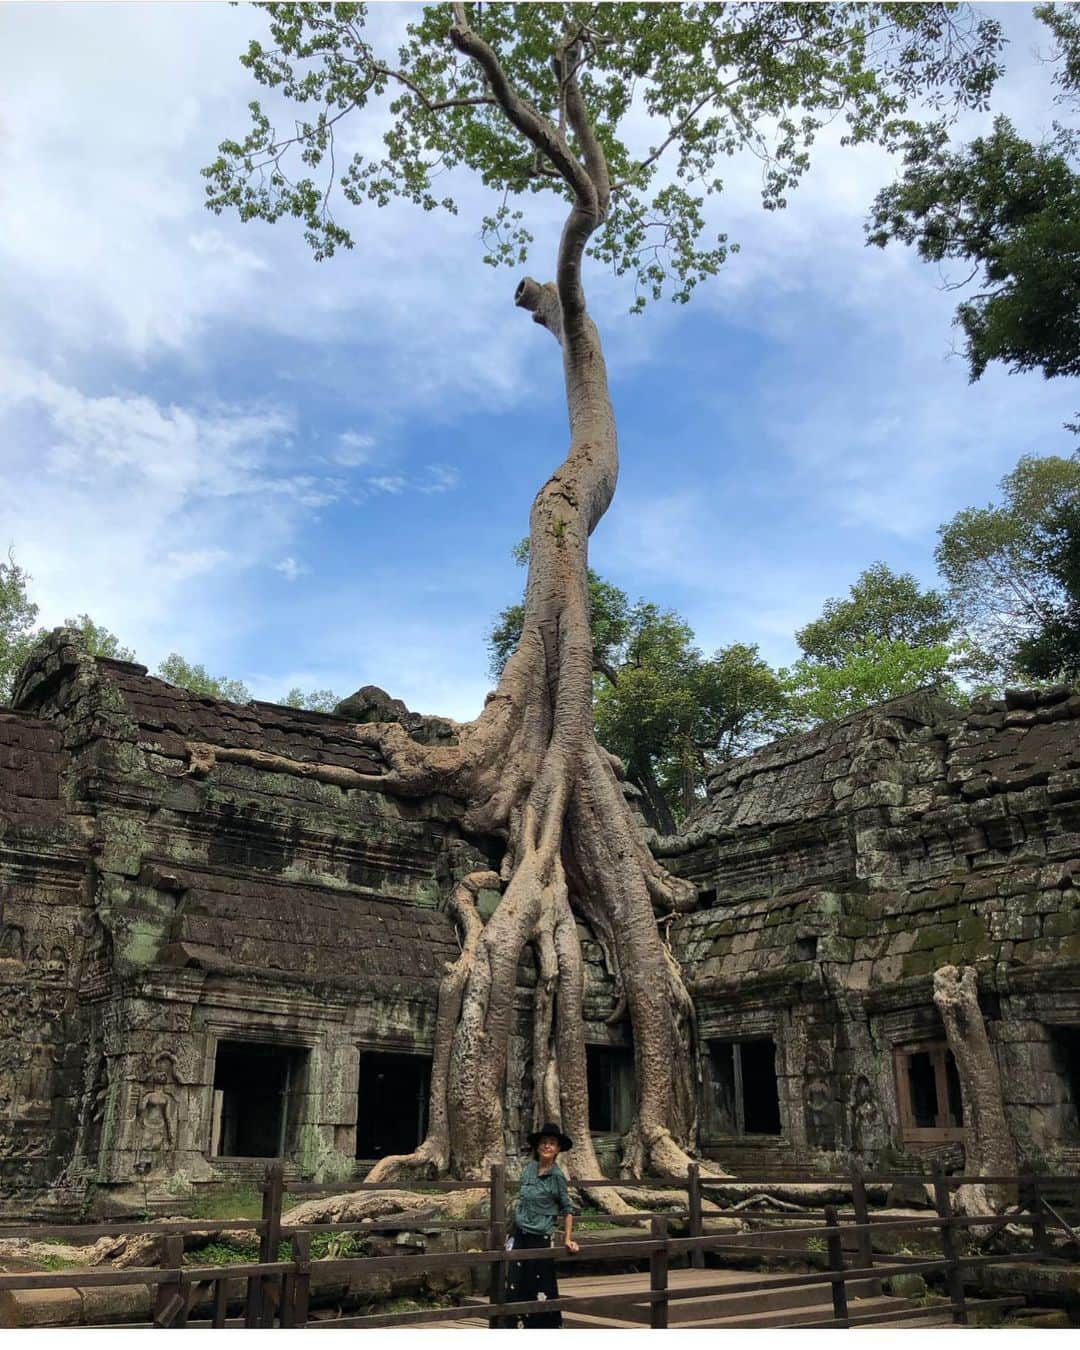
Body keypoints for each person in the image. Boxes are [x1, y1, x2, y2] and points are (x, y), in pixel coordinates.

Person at [505, 1122, 580, 1328]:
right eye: (544, 1143)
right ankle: (513, 1327)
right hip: (520, 1234)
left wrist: (567, 1239)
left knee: (540, 1284)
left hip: (540, 1236)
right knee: (515, 1282)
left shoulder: (557, 1177)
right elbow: (521, 1199)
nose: (547, 1146)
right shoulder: (528, 1170)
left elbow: (568, 1209)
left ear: (557, 1150)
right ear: (538, 1147)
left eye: (552, 1143)